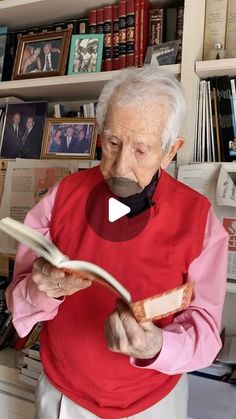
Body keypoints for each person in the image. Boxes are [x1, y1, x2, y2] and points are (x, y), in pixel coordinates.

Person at [6, 66, 228, 419]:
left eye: (141, 150)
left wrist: (157, 345)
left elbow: (205, 330)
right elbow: (17, 301)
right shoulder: (62, 195)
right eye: (112, 143)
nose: (121, 166)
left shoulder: (200, 220)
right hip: (64, 395)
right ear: (99, 134)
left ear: (171, 151)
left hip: (153, 404)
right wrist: (41, 289)